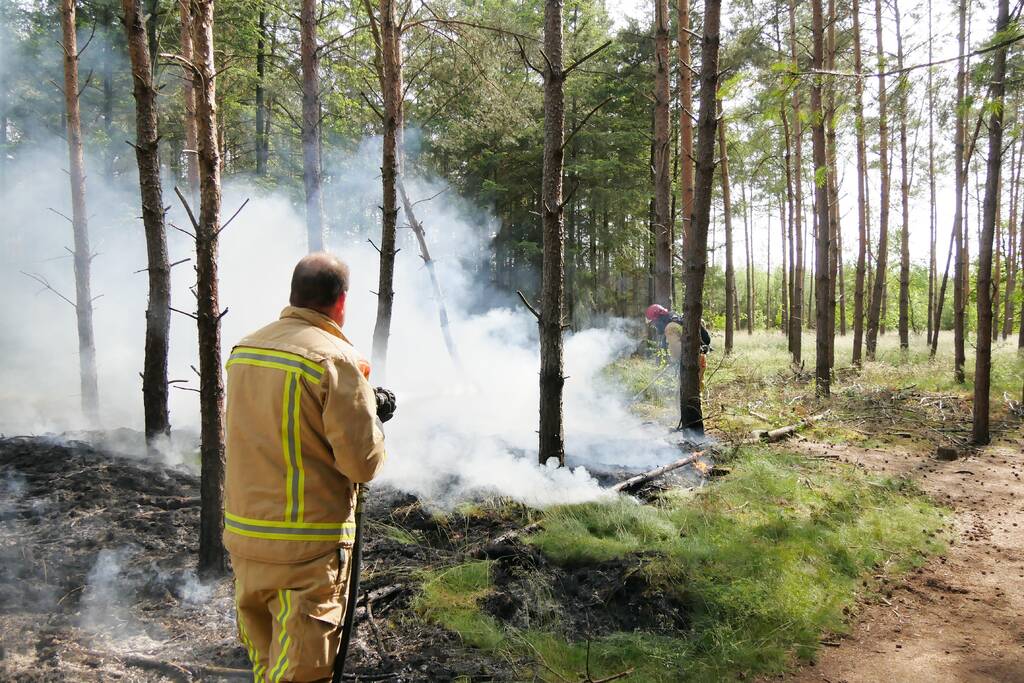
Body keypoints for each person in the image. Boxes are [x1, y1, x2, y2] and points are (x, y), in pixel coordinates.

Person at [224, 253, 394, 682]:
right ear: (341, 302)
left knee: (268, 667)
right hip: (306, 550)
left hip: (246, 540)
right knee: (301, 675)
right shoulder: (336, 360)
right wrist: (371, 415)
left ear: (294, 294)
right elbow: (362, 464)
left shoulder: (246, 349)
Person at [644, 304, 712, 389]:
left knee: (688, 390)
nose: (654, 326)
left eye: (654, 323)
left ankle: (691, 402)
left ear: (658, 319)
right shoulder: (676, 320)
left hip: (691, 363)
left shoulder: (670, 328)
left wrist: (674, 360)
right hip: (700, 357)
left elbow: (676, 353)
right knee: (698, 386)